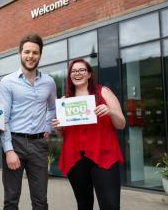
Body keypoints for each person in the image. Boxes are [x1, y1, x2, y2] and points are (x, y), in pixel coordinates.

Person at [52, 58, 125, 210]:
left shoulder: (103, 92)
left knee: (111, 205)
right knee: (84, 205)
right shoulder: (65, 100)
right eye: (73, 71)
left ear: (89, 74)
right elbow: (63, 135)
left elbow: (121, 124)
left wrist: (110, 112)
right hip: (75, 157)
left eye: (81, 70)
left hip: (103, 154)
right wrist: (57, 128)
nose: (77, 73)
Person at [0, 34, 56, 210]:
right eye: (27, 52)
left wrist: (47, 126)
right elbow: (2, 119)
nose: (31, 56)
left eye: (35, 53)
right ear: (20, 53)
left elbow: (53, 108)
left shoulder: (49, 82)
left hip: (39, 145)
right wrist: (8, 150)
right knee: (11, 200)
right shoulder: (7, 82)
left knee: (40, 201)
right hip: (15, 143)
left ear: (40, 55)